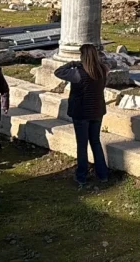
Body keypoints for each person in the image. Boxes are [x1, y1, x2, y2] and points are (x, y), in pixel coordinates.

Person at [54, 44, 109, 186]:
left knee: (82, 145)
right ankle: (103, 174)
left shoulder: (77, 73)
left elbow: (58, 72)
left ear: (82, 56)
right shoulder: (102, 70)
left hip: (81, 113)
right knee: (95, 142)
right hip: (97, 111)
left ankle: (81, 176)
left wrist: (71, 63)